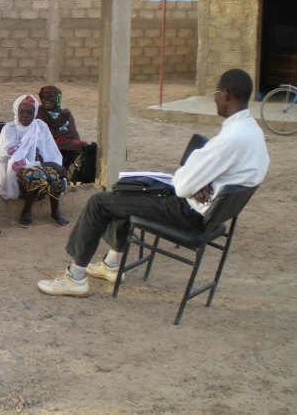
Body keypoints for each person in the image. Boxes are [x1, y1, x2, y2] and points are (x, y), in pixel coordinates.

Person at [38, 69, 270, 297]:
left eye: (215, 93)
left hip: (189, 212)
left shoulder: (230, 139)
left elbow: (182, 186)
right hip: (210, 210)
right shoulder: (252, 131)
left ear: (226, 94)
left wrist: (196, 182)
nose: (215, 99)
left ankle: (75, 277)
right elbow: (236, 176)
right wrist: (205, 182)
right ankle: (112, 263)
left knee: (101, 201)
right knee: (127, 191)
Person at [0, 95, 68, 228]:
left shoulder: (40, 126)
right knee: (34, 175)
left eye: (30, 112)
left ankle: (55, 211)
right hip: (16, 174)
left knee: (54, 174)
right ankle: (27, 211)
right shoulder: (10, 130)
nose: (26, 115)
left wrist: (59, 172)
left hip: (41, 167)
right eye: (22, 111)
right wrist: (47, 165)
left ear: (35, 112)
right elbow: (14, 161)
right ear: (16, 111)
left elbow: (51, 152)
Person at [36, 85, 84, 169]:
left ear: (58, 97)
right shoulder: (37, 113)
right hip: (45, 145)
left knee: (85, 146)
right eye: (43, 97)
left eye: (50, 97)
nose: (46, 100)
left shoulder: (66, 114)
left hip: (64, 145)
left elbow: (73, 134)